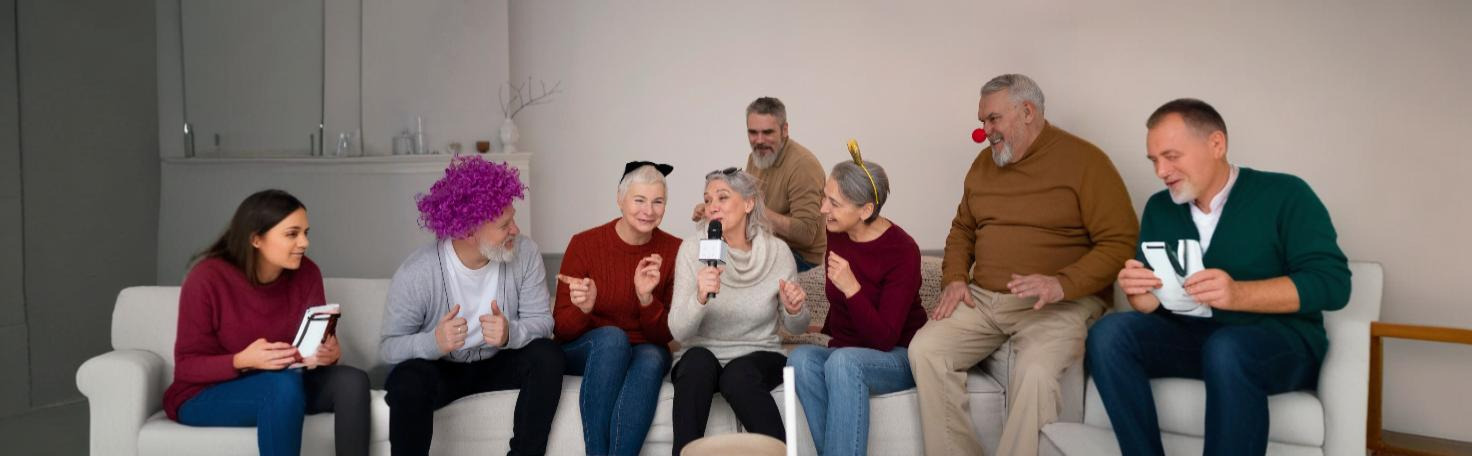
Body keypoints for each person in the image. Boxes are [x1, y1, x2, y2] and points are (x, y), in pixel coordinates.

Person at [1088, 98, 1351, 455]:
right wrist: (1142, 296)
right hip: (1193, 338)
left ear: (1216, 145)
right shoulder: (1159, 208)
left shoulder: (1286, 194)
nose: (1161, 171)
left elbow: (1333, 284)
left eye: (1172, 156)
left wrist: (1238, 294)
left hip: (1278, 342)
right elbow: (1152, 296)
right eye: (1154, 160)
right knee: (1108, 333)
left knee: (1227, 348)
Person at [908, 73, 1140, 456]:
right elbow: (962, 229)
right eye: (982, 121)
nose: (985, 130)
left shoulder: (1086, 162)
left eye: (993, 119)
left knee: (1034, 373)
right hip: (984, 300)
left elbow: (1121, 242)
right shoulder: (983, 166)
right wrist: (953, 278)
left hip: (1058, 303)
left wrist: (1061, 283)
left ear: (1027, 111)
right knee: (926, 350)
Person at [379, 156, 564, 456]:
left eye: (512, 219)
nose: (516, 230)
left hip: (499, 362)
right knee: (406, 379)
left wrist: (509, 334)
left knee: (547, 355)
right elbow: (389, 348)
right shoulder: (418, 272)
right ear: (467, 231)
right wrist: (434, 342)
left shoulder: (526, 254)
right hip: (444, 371)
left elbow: (543, 321)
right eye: (505, 225)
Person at [164, 189, 369, 456]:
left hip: (286, 382)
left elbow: (311, 346)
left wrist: (328, 353)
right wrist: (242, 360)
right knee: (281, 385)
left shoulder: (308, 273)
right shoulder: (207, 278)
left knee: (352, 381)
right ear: (256, 239)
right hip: (207, 393)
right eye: (292, 234)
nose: (304, 242)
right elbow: (186, 367)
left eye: (306, 232)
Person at [786, 155, 928, 456]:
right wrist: (819, 325)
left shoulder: (902, 251)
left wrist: (852, 288)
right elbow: (839, 308)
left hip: (898, 355)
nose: (824, 209)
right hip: (846, 351)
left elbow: (884, 338)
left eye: (834, 203)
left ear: (866, 210)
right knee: (800, 361)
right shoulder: (836, 232)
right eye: (825, 198)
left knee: (843, 362)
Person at [668, 168, 812, 455]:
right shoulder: (692, 249)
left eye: (722, 197)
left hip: (759, 353)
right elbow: (679, 332)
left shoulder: (777, 252)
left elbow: (798, 327)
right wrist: (699, 298)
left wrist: (795, 309)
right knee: (695, 363)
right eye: (708, 200)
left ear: (748, 203)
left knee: (737, 374)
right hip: (702, 352)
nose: (713, 206)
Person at [552, 161, 681, 456]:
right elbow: (561, 328)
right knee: (612, 339)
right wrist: (585, 308)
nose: (649, 210)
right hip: (591, 347)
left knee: (651, 357)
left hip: (645, 346)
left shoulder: (674, 250)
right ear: (620, 199)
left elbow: (665, 336)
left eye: (658, 201)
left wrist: (646, 299)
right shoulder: (584, 244)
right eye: (639, 200)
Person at [692, 97, 826, 271]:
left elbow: (806, 234)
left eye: (768, 132)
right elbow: (743, 200)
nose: (759, 140)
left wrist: (755, 209)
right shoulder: (756, 157)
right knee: (701, 258)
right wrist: (714, 206)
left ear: (784, 130)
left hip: (799, 257)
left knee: (725, 268)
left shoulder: (803, 166)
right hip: (764, 245)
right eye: (753, 132)